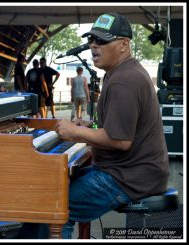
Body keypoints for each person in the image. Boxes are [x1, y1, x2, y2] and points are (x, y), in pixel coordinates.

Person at [54, 12, 169, 239]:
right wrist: (88, 125)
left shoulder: (124, 80)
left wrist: (76, 132)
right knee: (55, 184)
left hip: (131, 177)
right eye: (91, 40)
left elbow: (120, 140)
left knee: (56, 206)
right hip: (129, 171)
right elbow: (119, 126)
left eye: (102, 41)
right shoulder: (121, 73)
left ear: (124, 44)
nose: (93, 46)